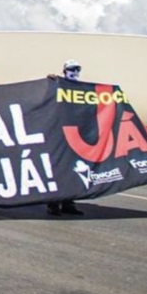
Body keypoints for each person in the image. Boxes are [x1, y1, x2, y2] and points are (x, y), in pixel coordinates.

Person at [47, 59, 85, 217]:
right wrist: (50, 82)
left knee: (73, 172)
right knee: (58, 171)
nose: (75, 72)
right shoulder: (57, 85)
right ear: (65, 70)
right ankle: (53, 204)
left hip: (75, 137)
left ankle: (69, 203)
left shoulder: (82, 89)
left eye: (77, 69)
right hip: (58, 136)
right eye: (71, 69)